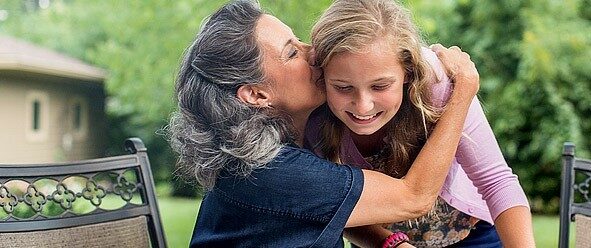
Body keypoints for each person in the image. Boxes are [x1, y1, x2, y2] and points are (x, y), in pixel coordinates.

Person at [168, 0, 478, 247]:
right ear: (256, 94)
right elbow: (414, 198)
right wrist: (463, 89)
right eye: (292, 52)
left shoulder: (263, 155)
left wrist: (390, 243)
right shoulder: (272, 172)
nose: (312, 51)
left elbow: (322, 209)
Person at [307, 0, 535, 247]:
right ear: (321, 76)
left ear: (407, 71)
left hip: (471, 235)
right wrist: (394, 244)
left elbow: (496, 181)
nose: (363, 106)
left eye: (380, 86)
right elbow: (334, 206)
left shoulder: (440, 85)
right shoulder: (312, 115)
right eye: (342, 87)